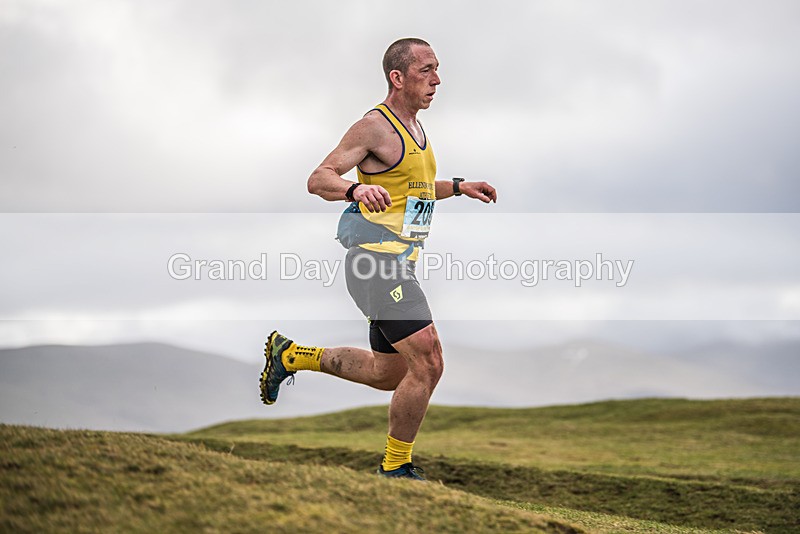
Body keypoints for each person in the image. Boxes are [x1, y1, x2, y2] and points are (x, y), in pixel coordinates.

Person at [259, 37, 497, 480]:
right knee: (430, 361)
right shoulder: (374, 127)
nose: (437, 79)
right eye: (426, 70)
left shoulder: (418, 133)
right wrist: (353, 189)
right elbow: (318, 178)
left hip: (397, 264)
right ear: (398, 77)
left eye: (437, 69)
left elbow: (415, 191)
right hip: (374, 262)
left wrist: (458, 186)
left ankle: (291, 356)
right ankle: (395, 469)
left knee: (389, 374)